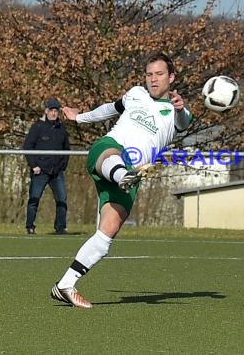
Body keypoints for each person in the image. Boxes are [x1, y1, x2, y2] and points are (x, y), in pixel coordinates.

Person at [50, 52, 193, 308]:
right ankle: (121, 176)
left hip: (133, 172)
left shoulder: (177, 112)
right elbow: (110, 109)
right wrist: (79, 117)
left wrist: (180, 108)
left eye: (159, 74)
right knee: (112, 153)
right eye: (149, 74)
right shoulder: (135, 93)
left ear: (171, 77)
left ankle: (65, 284)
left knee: (107, 235)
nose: (153, 79)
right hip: (109, 152)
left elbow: (183, 124)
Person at [23, 98, 70, 235]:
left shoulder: (62, 128)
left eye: (56, 111)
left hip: (57, 171)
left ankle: (60, 227)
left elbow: (67, 149)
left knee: (62, 199)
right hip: (40, 170)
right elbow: (27, 147)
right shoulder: (37, 127)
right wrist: (33, 165)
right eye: (51, 110)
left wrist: (63, 165)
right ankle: (30, 226)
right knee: (34, 199)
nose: (54, 113)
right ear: (46, 111)